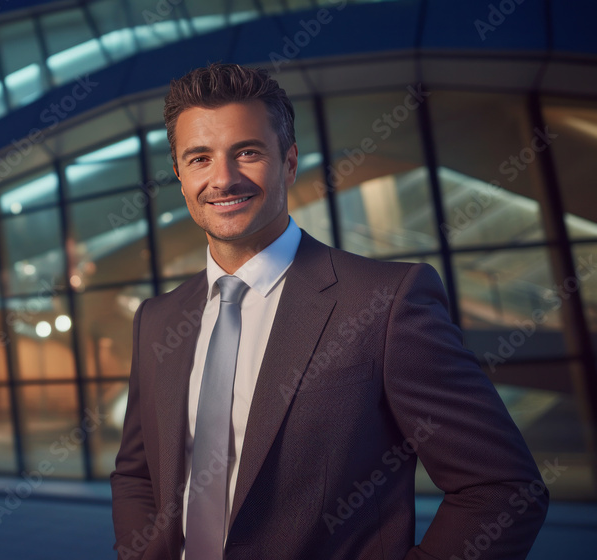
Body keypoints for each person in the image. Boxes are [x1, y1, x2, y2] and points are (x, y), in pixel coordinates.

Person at [109, 62, 548, 560]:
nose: (223, 178)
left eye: (247, 152)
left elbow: (502, 489)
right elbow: (137, 474)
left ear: (290, 162)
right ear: (180, 176)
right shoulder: (157, 320)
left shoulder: (386, 302)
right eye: (200, 158)